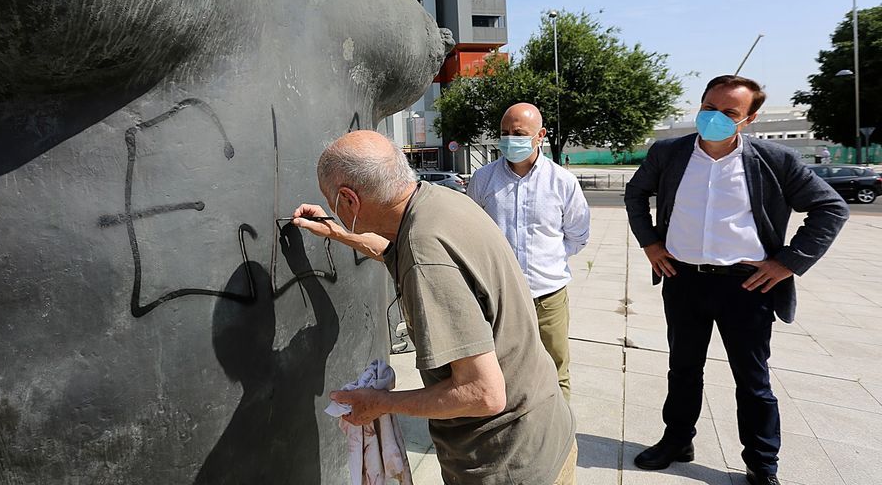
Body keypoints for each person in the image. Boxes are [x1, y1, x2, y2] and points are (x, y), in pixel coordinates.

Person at [292, 131, 577, 485]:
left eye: (333, 202)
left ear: (349, 199)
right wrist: (336, 231)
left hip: (509, 464)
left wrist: (381, 403)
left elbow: (483, 394)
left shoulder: (425, 256)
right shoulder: (437, 202)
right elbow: (390, 249)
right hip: (546, 432)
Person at [624, 75, 849, 485]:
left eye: (729, 113)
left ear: (749, 119)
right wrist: (651, 245)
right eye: (709, 108)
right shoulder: (669, 153)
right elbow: (635, 194)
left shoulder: (774, 160)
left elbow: (830, 208)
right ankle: (677, 440)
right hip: (683, 279)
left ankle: (762, 464)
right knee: (683, 369)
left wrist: (788, 263)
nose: (715, 118)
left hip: (747, 287)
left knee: (753, 380)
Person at [467, 103, 590, 401]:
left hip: (547, 298)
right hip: (497, 299)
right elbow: (471, 232)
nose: (510, 139)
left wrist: (545, 260)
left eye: (519, 133)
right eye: (504, 133)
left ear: (540, 136)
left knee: (555, 371)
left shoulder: (562, 182)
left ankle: (558, 440)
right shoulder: (483, 180)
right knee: (499, 371)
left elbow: (577, 235)